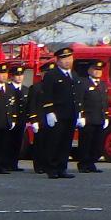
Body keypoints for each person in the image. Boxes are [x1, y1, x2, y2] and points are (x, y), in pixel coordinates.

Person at [35, 46, 79, 179]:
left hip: (70, 113)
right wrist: (49, 111)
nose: (67, 61)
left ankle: (62, 167)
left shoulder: (74, 75)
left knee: (66, 142)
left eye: (69, 58)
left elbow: (76, 95)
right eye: (64, 59)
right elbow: (47, 94)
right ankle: (51, 168)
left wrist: (79, 112)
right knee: (54, 142)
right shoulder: (52, 75)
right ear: (58, 61)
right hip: (57, 114)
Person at [75, 58, 109, 171]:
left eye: (100, 70)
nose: (98, 72)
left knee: (97, 144)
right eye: (95, 69)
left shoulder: (103, 85)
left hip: (99, 118)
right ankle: (83, 164)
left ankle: (91, 163)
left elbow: (104, 101)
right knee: (86, 143)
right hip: (88, 119)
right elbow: (79, 100)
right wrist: (80, 115)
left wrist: (106, 116)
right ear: (89, 70)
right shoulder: (83, 83)